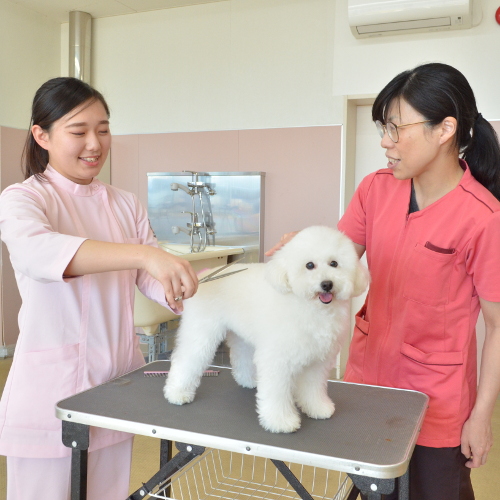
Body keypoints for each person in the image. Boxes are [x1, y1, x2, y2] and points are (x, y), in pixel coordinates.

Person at [267, 63, 500, 499]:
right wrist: (304, 254)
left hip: (436, 404)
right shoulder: (375, 189)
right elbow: (335, 266)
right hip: (367, 385)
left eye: (396, 129)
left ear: (445, 129)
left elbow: (498, 327)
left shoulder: (484, 217)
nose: (385, 143)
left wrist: (481, 416)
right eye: (383, 128)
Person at [0, 77, 199, 500]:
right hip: (50, 394)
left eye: (103, 129)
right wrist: (145, 256)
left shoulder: (125, 203)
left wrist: (180, 290)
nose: (95, 143)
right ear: (42, 135)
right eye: (79, 131)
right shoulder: (24, 199)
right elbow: (40, 255)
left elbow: (149, 278)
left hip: (116, 387)